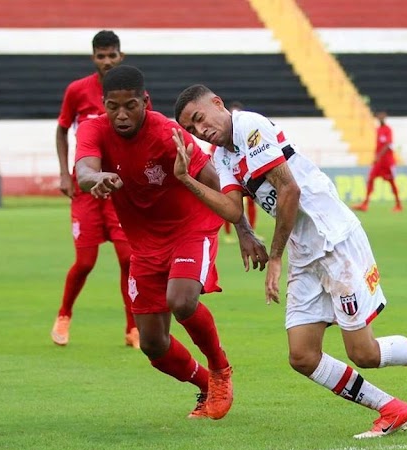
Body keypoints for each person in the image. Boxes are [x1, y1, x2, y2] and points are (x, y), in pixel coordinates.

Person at [173, 85, 407, 438]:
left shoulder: (250, 127)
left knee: (363, 352)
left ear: (217, 104)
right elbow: (232, 208)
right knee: (303, 356)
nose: (200, 130)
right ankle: (392, 408)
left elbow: (290, 190)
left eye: (199, 119)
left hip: (334, 241)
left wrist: (275, 258)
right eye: (191, 128)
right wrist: (185, 179)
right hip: (305, 251)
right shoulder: (222, 156)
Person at [75, 66, 268, 419]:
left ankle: (221, 370)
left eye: (130, 105)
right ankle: (205, 385)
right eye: (112, 106)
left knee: (180, 300)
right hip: (144, 243)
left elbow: (215, 179)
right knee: (152, 343)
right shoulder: (93, 129)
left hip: (189, 228)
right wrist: (96, 178)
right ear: (103, 104)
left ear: (145, 102)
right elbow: (84, 170)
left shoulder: (167, 133)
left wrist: (243, 230)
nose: (121, 115)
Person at [52, 30, 142, 348]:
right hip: (86, 189)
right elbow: (62, 131)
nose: (107, 61)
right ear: (94, 58)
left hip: (119, 190)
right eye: (101, 56)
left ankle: (133, 327)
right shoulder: (77, 91)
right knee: (86, 261)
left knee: (128, 259)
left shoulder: (133, 93)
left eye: (111, 55)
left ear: (121, 56)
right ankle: (64, 315)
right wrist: (65, 173)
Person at [219, 101, 260, 244]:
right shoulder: (221, 143)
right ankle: (228, 233)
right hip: (231, 175)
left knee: (251, 204)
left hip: (248, 175)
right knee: (230, 204)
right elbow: (216, 156)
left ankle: (252, 231)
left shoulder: (246, 133)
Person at [352, 111, 402, 212]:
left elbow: (388, 144)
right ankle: (365, 204)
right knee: (370, 179)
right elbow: (378, 145)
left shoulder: (388, 129)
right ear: (377, 117)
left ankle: (398, 205)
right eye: (379, 116)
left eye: (382, 116)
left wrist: (378, 156)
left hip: (387, 162)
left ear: (385, 117)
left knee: (392, 183)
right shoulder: (378, 130)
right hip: (378, 162)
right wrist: (376, 158)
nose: (381, 118)